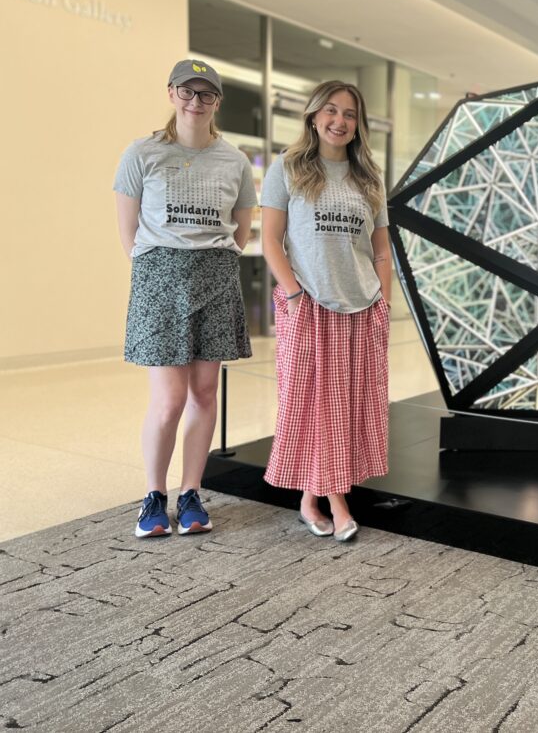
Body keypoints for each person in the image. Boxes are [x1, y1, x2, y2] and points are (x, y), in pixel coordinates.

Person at [114, 59, 256, 538]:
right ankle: (154, 495)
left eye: (206, 94)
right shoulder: (142, 152)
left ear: (217, 101)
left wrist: (209, 260)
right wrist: (160, 272)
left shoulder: (235, 161)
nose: (196, 101)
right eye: (187, 91)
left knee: (205, 392)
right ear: (172, 93)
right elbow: (128, 232)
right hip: (160, 279)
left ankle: (191, 491)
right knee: (169, 399)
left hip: (215, 276)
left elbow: (241, 227)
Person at [261, 80, 391, 543]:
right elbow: (270, 240)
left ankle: (310, 500)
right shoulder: (288, 167)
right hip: (311, 305)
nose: (340, 121)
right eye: (331, 111)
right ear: (314, 116)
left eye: (350, 114)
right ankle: (337, 501)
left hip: (362, 306)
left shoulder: (369, 177)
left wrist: (384, 299)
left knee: (346, 408)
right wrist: (295, 295)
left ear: (359, 124)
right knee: (314, 404)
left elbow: (381, 249)